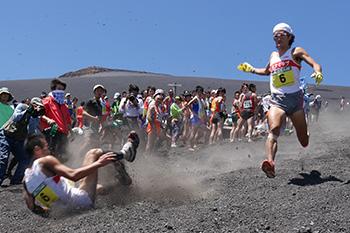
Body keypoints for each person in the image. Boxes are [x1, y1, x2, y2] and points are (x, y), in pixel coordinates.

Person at [238, 22, 323, 178]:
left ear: (289, 37)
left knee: (303, 141)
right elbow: (266, 71)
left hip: (296, 101)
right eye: (275, 36)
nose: (278, 38)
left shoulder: (296, 51)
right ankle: (270, 164)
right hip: (278, 101)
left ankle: (306, 133)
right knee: (274, 129)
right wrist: (250, 69)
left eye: (281, 35)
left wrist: (317, 72)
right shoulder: (273, 55)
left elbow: (315, 64)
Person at [23, 131, 139, 214]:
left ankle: (121, 182)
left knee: (95, 188)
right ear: (37, 149)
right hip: (81, 201)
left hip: (71, 207)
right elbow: (74, 176)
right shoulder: (44, 161)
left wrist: (59, 212)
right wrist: (99, 163)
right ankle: (127, 153)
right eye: (46, 147)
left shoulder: (26, 179)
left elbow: (32, 207)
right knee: (92, 153)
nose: (49, 150)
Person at [0, 97, 46, 186]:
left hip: (19, 139)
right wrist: (27, 112)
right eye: (37, 107)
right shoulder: (22, 106)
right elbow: (15, 118)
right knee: (3, 158)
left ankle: (16, 180)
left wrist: (33, 117)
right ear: (33, 105)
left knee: (25, 158)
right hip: (7, 136)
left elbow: (31, 130)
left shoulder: (36, 117)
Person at [40, 79, 73, 160]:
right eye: (59, 89)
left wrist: (71, 131)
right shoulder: (47, 101)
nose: (61, 91)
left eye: (62, 90)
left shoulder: (64, 105)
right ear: (53, 89)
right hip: (53, 132)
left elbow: (67, 120)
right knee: (52, 156)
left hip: (64, 134)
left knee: (64, 156)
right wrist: (48, 120)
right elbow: (40, 114)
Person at [146, 89, 171, 154]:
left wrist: (163, 129)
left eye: (160, 99)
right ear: (154, 99)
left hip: (158, 127)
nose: (159, 100)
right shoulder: (152, 107)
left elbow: (159, 119)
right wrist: (153, 127)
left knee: (168, 138)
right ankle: (147, 156)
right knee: (150, 143)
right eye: (158, 99)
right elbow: (149, 118)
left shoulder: (159, 108)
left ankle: (168, 152)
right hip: (152, 127)